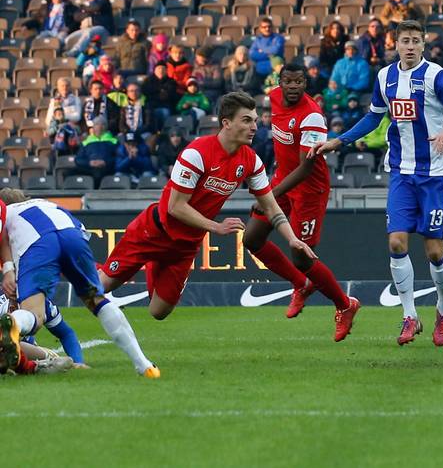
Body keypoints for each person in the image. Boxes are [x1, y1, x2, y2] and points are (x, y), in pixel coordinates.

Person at [312, 20, 443, 347]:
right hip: (401, 171)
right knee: (397, 243)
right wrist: (339, 141)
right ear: (396, 44)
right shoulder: (385, 76)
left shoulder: (436, 76)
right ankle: (409, 315)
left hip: (435, 176)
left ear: (424, 44)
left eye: (416, 41)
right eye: (405, 41)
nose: (410, 46)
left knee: (434, 250)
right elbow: (373, 116)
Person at [99, 93, 316, 321]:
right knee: (101, 285)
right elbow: (176, 207)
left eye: (254, 120)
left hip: (185, 245)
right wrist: (216, 227)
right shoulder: (197, 153)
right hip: (153, 231)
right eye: (247, 120)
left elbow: (271, 207)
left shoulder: (251, 161)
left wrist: (291, 238)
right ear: (226, 123)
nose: (255, 126)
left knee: (158, 312)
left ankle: (156, 262)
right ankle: (78, 265)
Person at [240, 64, 360, 341]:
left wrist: (268, 196)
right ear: (279, 83)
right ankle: (301, 285)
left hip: (308, 190)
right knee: (252, 239)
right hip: (282, 181)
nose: (293, 86)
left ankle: (345, 304)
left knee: (301, 257)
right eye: (288, 81)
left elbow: (306, 168)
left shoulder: (313, 117)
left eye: (298, 81)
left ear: (306, 83)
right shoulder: (273, 98)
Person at [0, 191, 159, 377]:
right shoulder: (44, 204)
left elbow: (5, 240)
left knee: (34, 314)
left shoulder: (7, 215)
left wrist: (10, 271)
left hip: (36, 243)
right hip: (72, 233)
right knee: (97, 301)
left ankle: (13, 324)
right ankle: (143, 364)